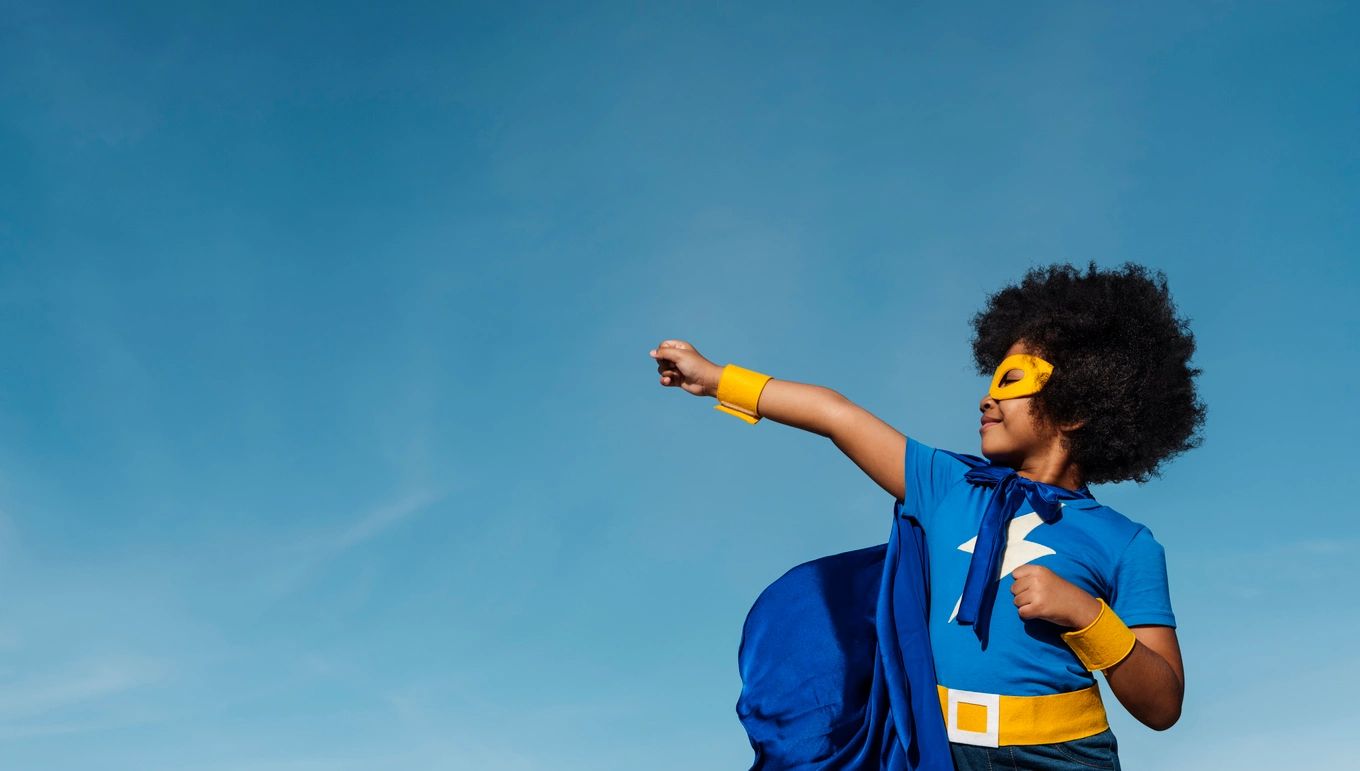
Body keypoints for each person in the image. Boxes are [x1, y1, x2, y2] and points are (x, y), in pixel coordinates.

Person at [647, 262, 1204, 770]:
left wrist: (1088, 617)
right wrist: (718, 379)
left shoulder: (1127, 543)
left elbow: (1162, 704)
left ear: (1081, 406)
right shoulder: (944, 485)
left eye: (1011, 381)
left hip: (1062, 759)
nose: (987, 399)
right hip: (933, 753)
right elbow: (836, 415)